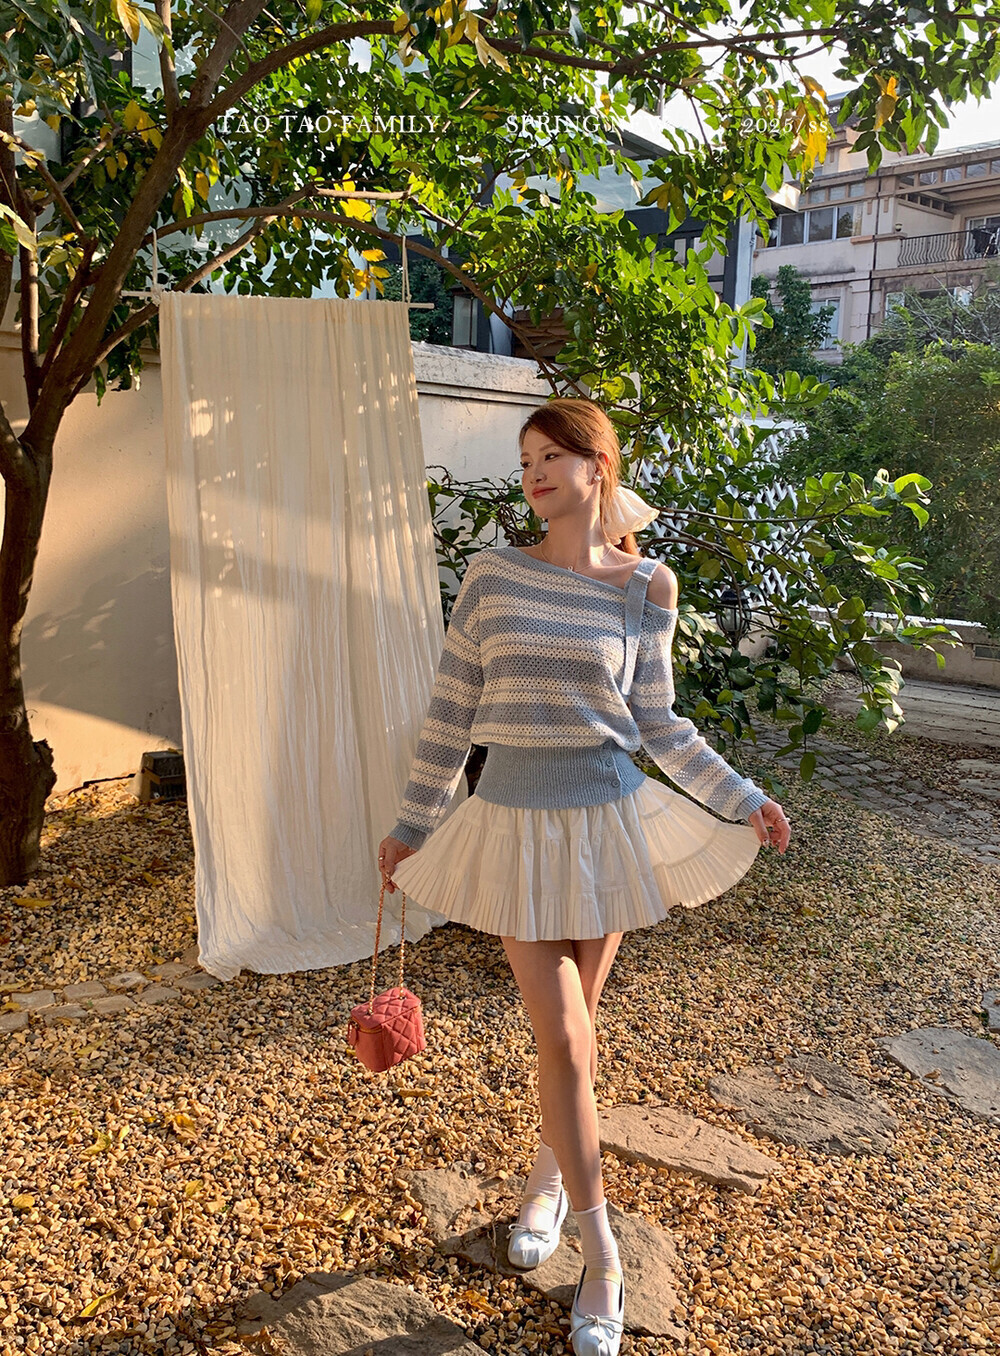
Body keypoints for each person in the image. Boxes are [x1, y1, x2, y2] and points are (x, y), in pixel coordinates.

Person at [378, 397, 791, 1356]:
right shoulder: (493, 576)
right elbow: (451, 713)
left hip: (607, 822)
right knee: (562, 1033)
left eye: (551, 456)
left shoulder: (647, 584)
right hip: (514, 825)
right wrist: (412, 823)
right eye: (525, 458)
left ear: (597, 467)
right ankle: (603, 1254)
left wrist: (743, 797)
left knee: (578, 1036)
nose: (533, 473)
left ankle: (546, 1181)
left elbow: (660, 724)